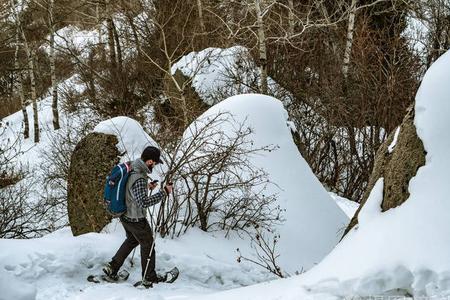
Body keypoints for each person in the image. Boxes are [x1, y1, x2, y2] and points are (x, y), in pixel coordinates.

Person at [103, 146, 173, 286]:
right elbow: (143, 202)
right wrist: (164, 192)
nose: (155, 165)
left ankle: (112, 267)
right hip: (136, 219)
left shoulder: (132, 167)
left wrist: (147, 187)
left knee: (132, 240)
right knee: (148, 244)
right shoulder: (139, 177)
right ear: (149, 161)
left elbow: (130, 190)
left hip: (125, 216)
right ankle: (149, 277)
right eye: (155, 162)